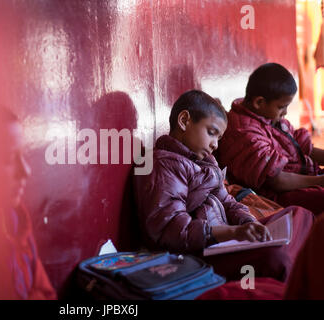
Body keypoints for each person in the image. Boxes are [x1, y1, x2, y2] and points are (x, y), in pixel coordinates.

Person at [133, 90, 313, 282]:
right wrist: (233, 233)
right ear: (184, 120)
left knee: (300, 215)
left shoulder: (205, 161)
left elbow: (227, 201)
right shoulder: (163, 164)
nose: (215, 145)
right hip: (197, 254)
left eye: (218, 138)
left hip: (226, 237)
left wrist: (247, 222)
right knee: (276, 258)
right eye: (212, 133)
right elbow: (173, 230)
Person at [217, 63, 324, 215]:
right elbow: (276, 180)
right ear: (259, 102)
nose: (285, 112)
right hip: (274, 197)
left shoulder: (268, 117)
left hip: (302, 180)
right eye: (282, 107)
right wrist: (320, 181)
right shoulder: (243, 132)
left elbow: (303, 146)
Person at [2, 109, 57, 299]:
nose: (25, 171)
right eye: (9, 158)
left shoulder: (16, 224)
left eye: (23, 156)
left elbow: (46, 292)